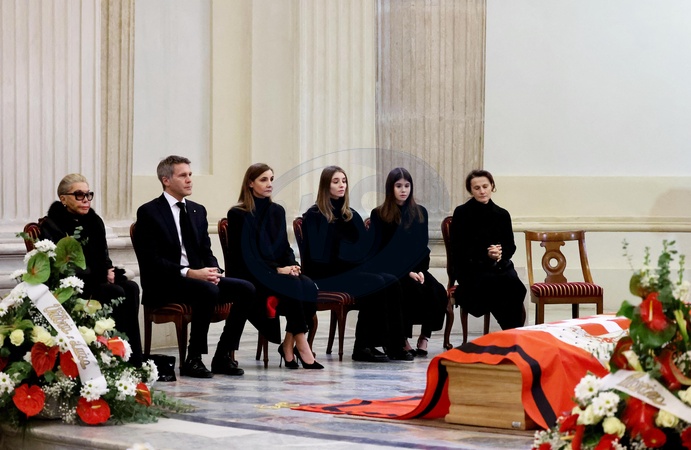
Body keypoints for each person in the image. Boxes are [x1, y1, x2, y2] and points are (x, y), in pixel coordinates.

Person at [133, 155, 256, 378]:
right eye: (183, 175)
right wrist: (189, 273)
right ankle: (194, 358)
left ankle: (223, 355)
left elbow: (206, 251)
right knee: (207, 290)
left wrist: (214, 271)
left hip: (197, 279)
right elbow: (152, 260)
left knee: (246, 289)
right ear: (166, 180)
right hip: (165, 282)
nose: (189, 180)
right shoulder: (149, 212)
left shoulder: (198, 210)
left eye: (190, 175)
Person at [301, 165, 412, 362]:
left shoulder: (350, 214)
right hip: (327, 274)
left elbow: (365, 247)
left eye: (344, 181)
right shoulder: (315, 215)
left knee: (392, 281)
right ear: (326, 186)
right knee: (375, 283)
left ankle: (394, 344)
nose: (341, 185)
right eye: (336, 182)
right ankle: (362, 346)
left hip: (350, 271)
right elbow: (318, 257)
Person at [40, 173, 143, 367]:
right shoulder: (52, 225)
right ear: (63, 198)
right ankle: (114, 357)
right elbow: (61, 267)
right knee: (115, 291)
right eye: (79, 195)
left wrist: (109, 270)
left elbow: (104, 256)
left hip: (96, 278)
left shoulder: (94, 221)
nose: (86, 199)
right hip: (72, 284)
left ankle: (134, 358)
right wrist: (101, 274)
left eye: (88, 194)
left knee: (131, 287)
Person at [226, 163, 323, 369]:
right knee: (292, 285)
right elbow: (246, 255)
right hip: (251, 275)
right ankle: (302, 345)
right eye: (263, 179)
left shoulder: (277, 210)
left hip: (278, 273)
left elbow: (284, 247)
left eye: (271, 179)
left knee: (307, 285)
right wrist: (277, 270)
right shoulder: (238, 214)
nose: (269, 183)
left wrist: (292, 265)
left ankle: (288, 344)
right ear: (250, 183)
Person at [368, 168, 447, 356]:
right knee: (407, 291)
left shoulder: (420, 212)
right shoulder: (379, 214)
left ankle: (425, 336)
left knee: (437, 291)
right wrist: (407, 272)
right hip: (392, 270)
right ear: (390, 188)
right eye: (398, 186)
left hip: (417, 268)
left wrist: (420, 270)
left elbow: (422, 247)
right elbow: (380, 252)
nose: (403, 190)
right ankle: (401, 338)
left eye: (406, 186)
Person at [450, 169, 526, 330]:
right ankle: (512, 333)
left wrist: (500, 253)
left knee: (516, 286)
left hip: (499, 266)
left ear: (492, 186)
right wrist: (486, 254)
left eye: (485, 186)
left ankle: (512, 333)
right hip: (471, 268)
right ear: (471, 190)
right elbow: (458, 249)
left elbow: (510, 246)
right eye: (477, 188)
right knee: (497, 285)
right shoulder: (462, 213)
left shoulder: (502, 214)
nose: (482, 191)